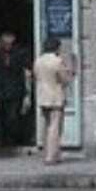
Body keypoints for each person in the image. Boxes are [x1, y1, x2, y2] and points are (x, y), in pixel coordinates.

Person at [32, 37, 74, 165]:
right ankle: (51, 156)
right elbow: (65, 80)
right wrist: (70, 72)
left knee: (47, 125)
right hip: (55, 96)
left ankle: (50, 153)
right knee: (55, 127)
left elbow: (36, 76)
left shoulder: (38, 61)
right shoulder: (57, 61)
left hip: (42, 95)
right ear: (56, 47)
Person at [0, 31, 32, 150]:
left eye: (10, 43)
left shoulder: (20, 53)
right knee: (3, 117)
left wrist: (27, 92)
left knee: (13, 117)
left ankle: (13, 140)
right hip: (1, 90)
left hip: (16, 90)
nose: (8, 45)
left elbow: (27, 70)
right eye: (5, 43)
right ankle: (5, 140)